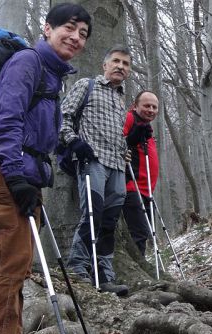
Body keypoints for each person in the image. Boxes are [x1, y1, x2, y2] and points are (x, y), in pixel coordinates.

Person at [0, 3, 92, 334]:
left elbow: (38, 133)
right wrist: (15, 174)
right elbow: (6, 119)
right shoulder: (27, 62)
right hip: (2, 169)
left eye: (83, 33)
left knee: (20, 259)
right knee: (12, 256)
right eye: (69, 28)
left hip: (22, 173)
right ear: (47, 28)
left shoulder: (52, 75)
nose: (75, 37)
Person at [61, 46, 132, 296]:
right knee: (93, 214)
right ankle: (78, 269)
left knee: (110, 221)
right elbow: (64, 116)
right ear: (105, 65)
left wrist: (125, 151)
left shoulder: (121, 100)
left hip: (117, 166)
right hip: (93, 161)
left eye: (125, 64)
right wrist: (74, 142)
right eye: (116, 61)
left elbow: (118, 134)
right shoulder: (86, 85)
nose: (120, 67)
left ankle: (104, 275)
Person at [121, 91, 160, 257]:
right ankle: (139, 264)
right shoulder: (130, 118)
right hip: (131, 187)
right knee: (139, 233)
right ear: (135, 106)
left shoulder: (146, 127)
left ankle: (141, 264)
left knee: (143, 233)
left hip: (145, 191)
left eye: (154, 107)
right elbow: (119, 141)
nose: (150, 110)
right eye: (146, 106)